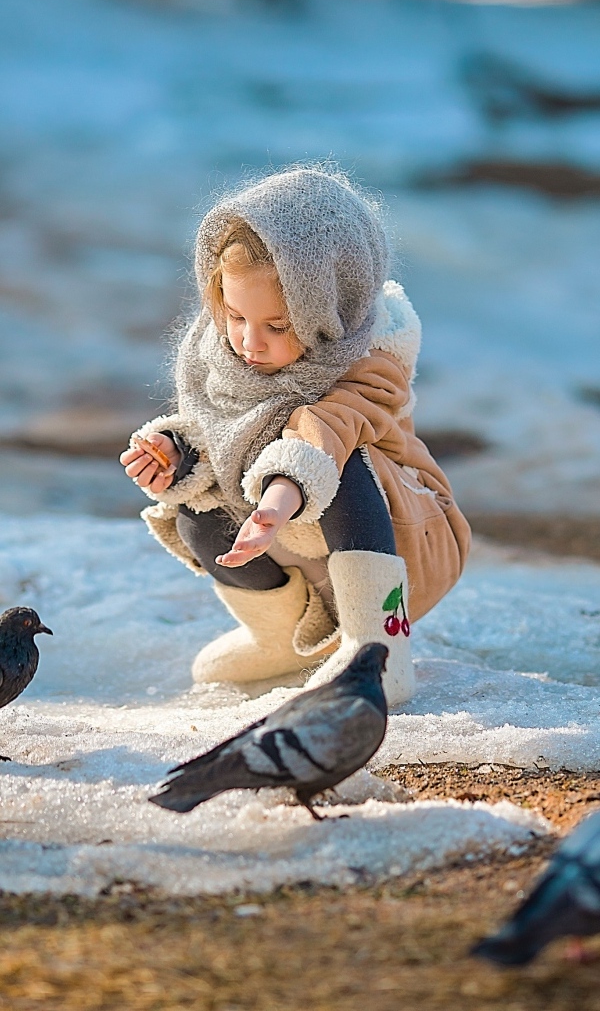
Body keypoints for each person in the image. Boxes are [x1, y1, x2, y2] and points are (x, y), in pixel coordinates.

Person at [120, 167, 471, 706]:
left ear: (332, 304)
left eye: (277, 326)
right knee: (195, 500)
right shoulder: (219, 350)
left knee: (342, 460)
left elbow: (323, 433)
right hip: (292, 534)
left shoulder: (372, 359)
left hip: (404, 536)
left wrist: (278, 499)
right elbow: (221, 433)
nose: (248, 342)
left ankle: (378, 652)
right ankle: (281, 638)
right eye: (235, 316)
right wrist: (176, 453)